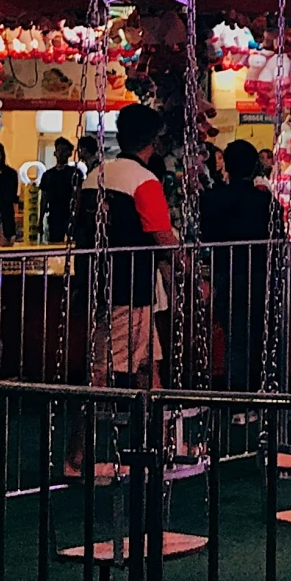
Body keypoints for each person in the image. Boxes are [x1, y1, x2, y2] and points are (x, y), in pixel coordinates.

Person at [71, 104, 175, 393]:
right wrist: (189, 272)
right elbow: (163, 238)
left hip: (96, 282)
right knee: (106, 368)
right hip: (130, 290)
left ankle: (157, 431)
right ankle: (85, 435)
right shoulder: (144, 181)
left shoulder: (95, 175)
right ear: (154, 142)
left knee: (147, 363)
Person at [203, 140, 280, 391]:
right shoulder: (265, 200)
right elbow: (277, 235)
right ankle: (262, 385)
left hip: (224, 271)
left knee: (233, 332)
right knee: (261, 331)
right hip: (260, 273)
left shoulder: (212, 199)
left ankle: (236, 388)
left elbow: (206, 234)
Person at [39, 136, 82, 247]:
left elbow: (78, 196)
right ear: (55, 152)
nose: (61, 153)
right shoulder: (48, 175)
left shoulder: (75, 173)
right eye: (59, 150)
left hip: (70, 215)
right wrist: (40, 219)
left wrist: (76, 216)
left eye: (64, 150)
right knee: (54, 243)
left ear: (69, 153)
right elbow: (44, 197)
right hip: (54, 214)